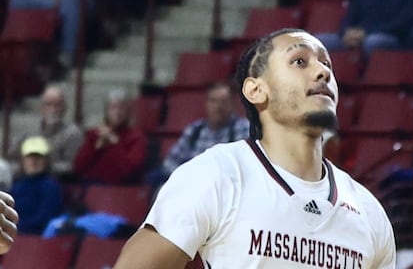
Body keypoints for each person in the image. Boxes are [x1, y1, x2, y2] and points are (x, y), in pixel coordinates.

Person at [113, 27, 395, 268]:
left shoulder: (369, 211)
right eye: (299, 61)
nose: (322, 72)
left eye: (327, 65)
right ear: (255, 90)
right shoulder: (216, 174)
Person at [147, 81, 250, 190]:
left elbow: (246, 166)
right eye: (213, 101)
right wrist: (187, 177)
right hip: (192, 186)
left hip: (227, 188)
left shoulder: (243, 128)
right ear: (206, 104)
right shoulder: (194, 130)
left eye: (223, 101)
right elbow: (170, 162)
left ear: (233, 104)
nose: (218, 106)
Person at [74, 89, 149, 185]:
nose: (117, 113)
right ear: (106, 111)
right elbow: (78, 167)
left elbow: (131, 170)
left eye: (122, 108)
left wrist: (115, 143)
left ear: (129, 112)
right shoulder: (94, 134)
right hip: (92, 187)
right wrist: (95, 148)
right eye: (113, 108)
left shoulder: (137, 137)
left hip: (122, 189)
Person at [11, 86, 83, 178]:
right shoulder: (29, 130)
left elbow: (73, 166)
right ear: (41, 108)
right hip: (25, 178)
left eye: (58, 105)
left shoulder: (73, 133)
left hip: (57, 182)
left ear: (65, 108)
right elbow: (12, 157)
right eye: (48, 105)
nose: (53, 110)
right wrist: (25, 167)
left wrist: (44, 166)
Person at [11, 137, 63, 236]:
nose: (33, 161)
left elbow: (43, 220)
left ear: (46, 161)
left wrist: (12, 229)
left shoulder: (50, 187)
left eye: (38, 157)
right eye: (30, 157)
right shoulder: (17, 187)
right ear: (23, 161)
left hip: (34, 240)